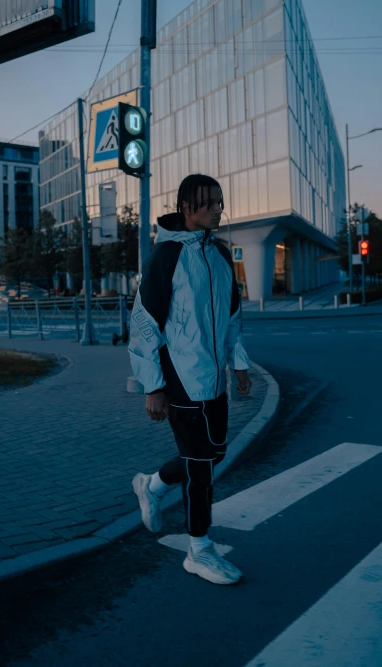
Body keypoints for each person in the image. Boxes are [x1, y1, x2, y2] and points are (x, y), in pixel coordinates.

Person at [129, 174, 252, 585]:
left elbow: (232, 316)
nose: (219, 209)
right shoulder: (165, 257)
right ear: (186, 208)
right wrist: (153, 386)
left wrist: (239, 364)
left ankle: (153, 484)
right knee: (201, 468)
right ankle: (198, 549)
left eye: (220, 201)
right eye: (210, 203)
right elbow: (145, 323)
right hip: (179, 378)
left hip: (213, 379)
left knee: (212, 455)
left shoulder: (218, 253)